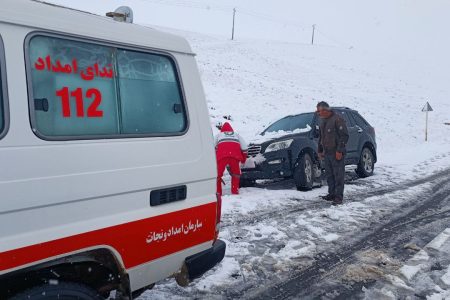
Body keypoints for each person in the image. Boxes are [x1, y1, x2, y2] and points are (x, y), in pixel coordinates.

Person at [316, 101, 349, 205]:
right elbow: (321, 137)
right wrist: (320, 150)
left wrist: (339, 150)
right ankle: (331, 194)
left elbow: (344, 136)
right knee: (330, 175)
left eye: (319, 111)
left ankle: (338, 197)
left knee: (338, 175)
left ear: (325, 110)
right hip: (327, 153)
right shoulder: (322, 121)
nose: (318, 113)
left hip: (336, 153)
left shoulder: (337, 119)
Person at [215, 122, 248, 196]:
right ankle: (235, 191)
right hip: (235, 156)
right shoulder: (237, 135)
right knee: (236, 174)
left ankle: (218, 193)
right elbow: (245, 148)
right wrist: (243, 159)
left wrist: (213, 159)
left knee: (217, 175)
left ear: (222, 129)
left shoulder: (218, 135)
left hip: (222, 156)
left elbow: (212, 147)